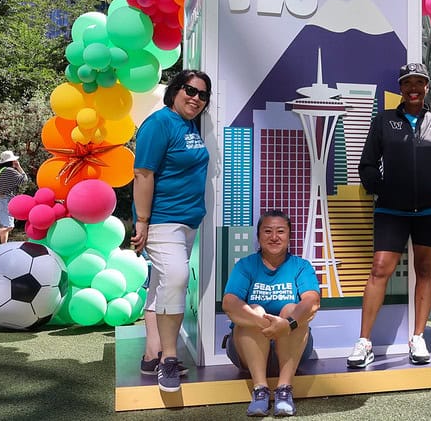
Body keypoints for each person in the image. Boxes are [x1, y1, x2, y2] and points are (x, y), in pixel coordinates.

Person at [347, 62, 431, 369]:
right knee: (379, 269)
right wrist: (381, 189)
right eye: (407, 83)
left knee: (425, 269)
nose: (413, 88)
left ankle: (417, 337)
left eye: (419, 82)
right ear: (401, 88)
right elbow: (367, 164)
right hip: (392, 209)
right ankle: (364, 342)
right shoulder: (384, 121)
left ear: (427, 87)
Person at [130, 70, 211, 393]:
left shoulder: (188, 125)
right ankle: (169, 358)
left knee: (162, 286)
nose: (196, 98)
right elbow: (143, 173)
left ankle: (151, 355)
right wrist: (142, 221)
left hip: (187, 221)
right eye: (190, 91)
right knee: (176, 278)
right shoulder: (159, 123)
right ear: (175, 90)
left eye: (203, 95)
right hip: (163, 220)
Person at [222, 210, 320, 417]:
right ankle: (260, 390)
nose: (274, 237)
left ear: (290, 236)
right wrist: (264, 322)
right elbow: (229, 303)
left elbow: (312, 302)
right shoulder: (245, 265)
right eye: (267, 231)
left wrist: (288, 323)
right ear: (258, 237)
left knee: (291, 310)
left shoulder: (301, 266)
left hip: (292, 351)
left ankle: (284, 390)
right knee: (256, 311)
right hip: (247, 353)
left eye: (280, 231)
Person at [0, 150, 28, 249]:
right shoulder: (10, 171)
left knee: (5, 226)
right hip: (5, 201)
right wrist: (19, 167)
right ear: (11, 161)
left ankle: (3, 247)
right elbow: (24, 179)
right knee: (9, 226)